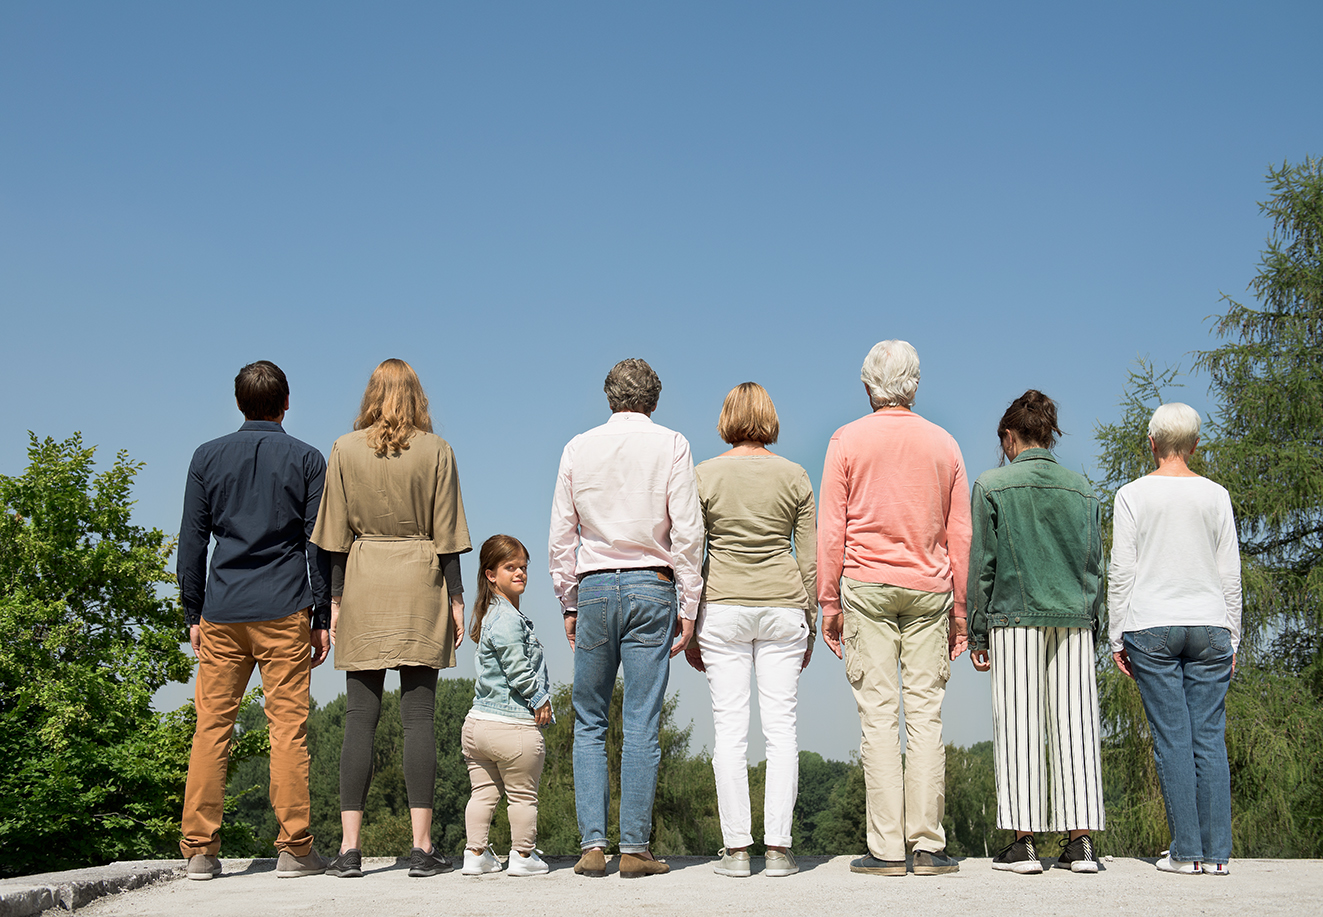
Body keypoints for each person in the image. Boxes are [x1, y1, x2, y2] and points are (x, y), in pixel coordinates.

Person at [311, 358, 472, 879]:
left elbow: (334, 539)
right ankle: (422, 848)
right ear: (418, 395)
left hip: (362, 580)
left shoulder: (343, 449)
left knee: (360, 717)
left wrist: (334, 603)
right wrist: (457, 598)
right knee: (419, 718)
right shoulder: (437, 450)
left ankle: (349, 849)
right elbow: (448, 536)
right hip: (421, 581)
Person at [817, 340, 970, 877]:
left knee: (879, 718)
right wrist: (961, 610)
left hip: (865, 584)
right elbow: (960, 533)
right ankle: (927, 846)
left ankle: (885, 850)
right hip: (931, 588)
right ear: (915, 385)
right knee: (925, 716)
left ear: (867, 388)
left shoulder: (846, 440)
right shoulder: (944, 444)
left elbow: (831, 528)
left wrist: (828, 601)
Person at [548, 358, 704, 878]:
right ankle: (635, 849)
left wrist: (568, 601)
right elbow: (687, 533)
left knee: (589, 719)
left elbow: (561, 536)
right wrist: (689, 603)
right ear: (653, 401)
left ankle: (593, 846)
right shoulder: (673, 445)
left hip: (593, 588)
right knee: (641, 721)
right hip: (651, 586)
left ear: (610, 397)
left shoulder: (577, 447)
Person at [177, 360, 331, 880]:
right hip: (286, 608)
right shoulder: (308, 460)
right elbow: (317, 544)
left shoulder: (207, 457)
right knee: (287, 730)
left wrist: (191, 612)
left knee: (211, 728)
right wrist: (322, 614)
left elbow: (193, 542)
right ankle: (294, 849)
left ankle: (199, 849)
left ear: (239, 403)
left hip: (221, 610)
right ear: (286, 403)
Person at [967, 391, 1105, 875]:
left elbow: (983, 566)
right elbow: (1095, 567)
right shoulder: (1084, 490)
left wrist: (977, 633)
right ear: (1049, 435)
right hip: (1073, 618)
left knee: (1019, 725)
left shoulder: (991, 485)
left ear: (1010, 436)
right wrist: (1097, 625)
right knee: (1077, 726)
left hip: (1014, 617)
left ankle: (1023, 844)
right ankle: (1081, 843)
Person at [684, 383, 816, 878]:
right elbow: (807, 558)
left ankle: (738, 851)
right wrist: (810, 618)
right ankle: (779, 851)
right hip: (783, 607)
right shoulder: (795, 475)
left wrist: (690, 621)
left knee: (730, 732)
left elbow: (691, 556)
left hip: (721, 606)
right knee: (782, 731)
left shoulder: (704, 475)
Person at [1109, 403, 1241, 876]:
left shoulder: (1132, 495)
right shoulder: (1216, 495)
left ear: (1152, 444)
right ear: (1195, 445)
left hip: (1151, 626)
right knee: (1209, 738)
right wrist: (1234, 636)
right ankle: (1217, 855)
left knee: (1173, 740)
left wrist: (1115, 635)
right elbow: (1230, 572)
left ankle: (1185, 852)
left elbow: (1122, 571)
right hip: (1209, 627)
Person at [461, 535, 554, 878]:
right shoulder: (508, 619)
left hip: (477, 726)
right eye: (510, 567)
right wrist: (540, 698)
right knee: (523, 796)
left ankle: (475, 855)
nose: (520, 574)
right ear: (490, 574)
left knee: (482, 793)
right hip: (511, 725)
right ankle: (523, 855)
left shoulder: (489, 615)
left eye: (523, 567)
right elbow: (518, 667)